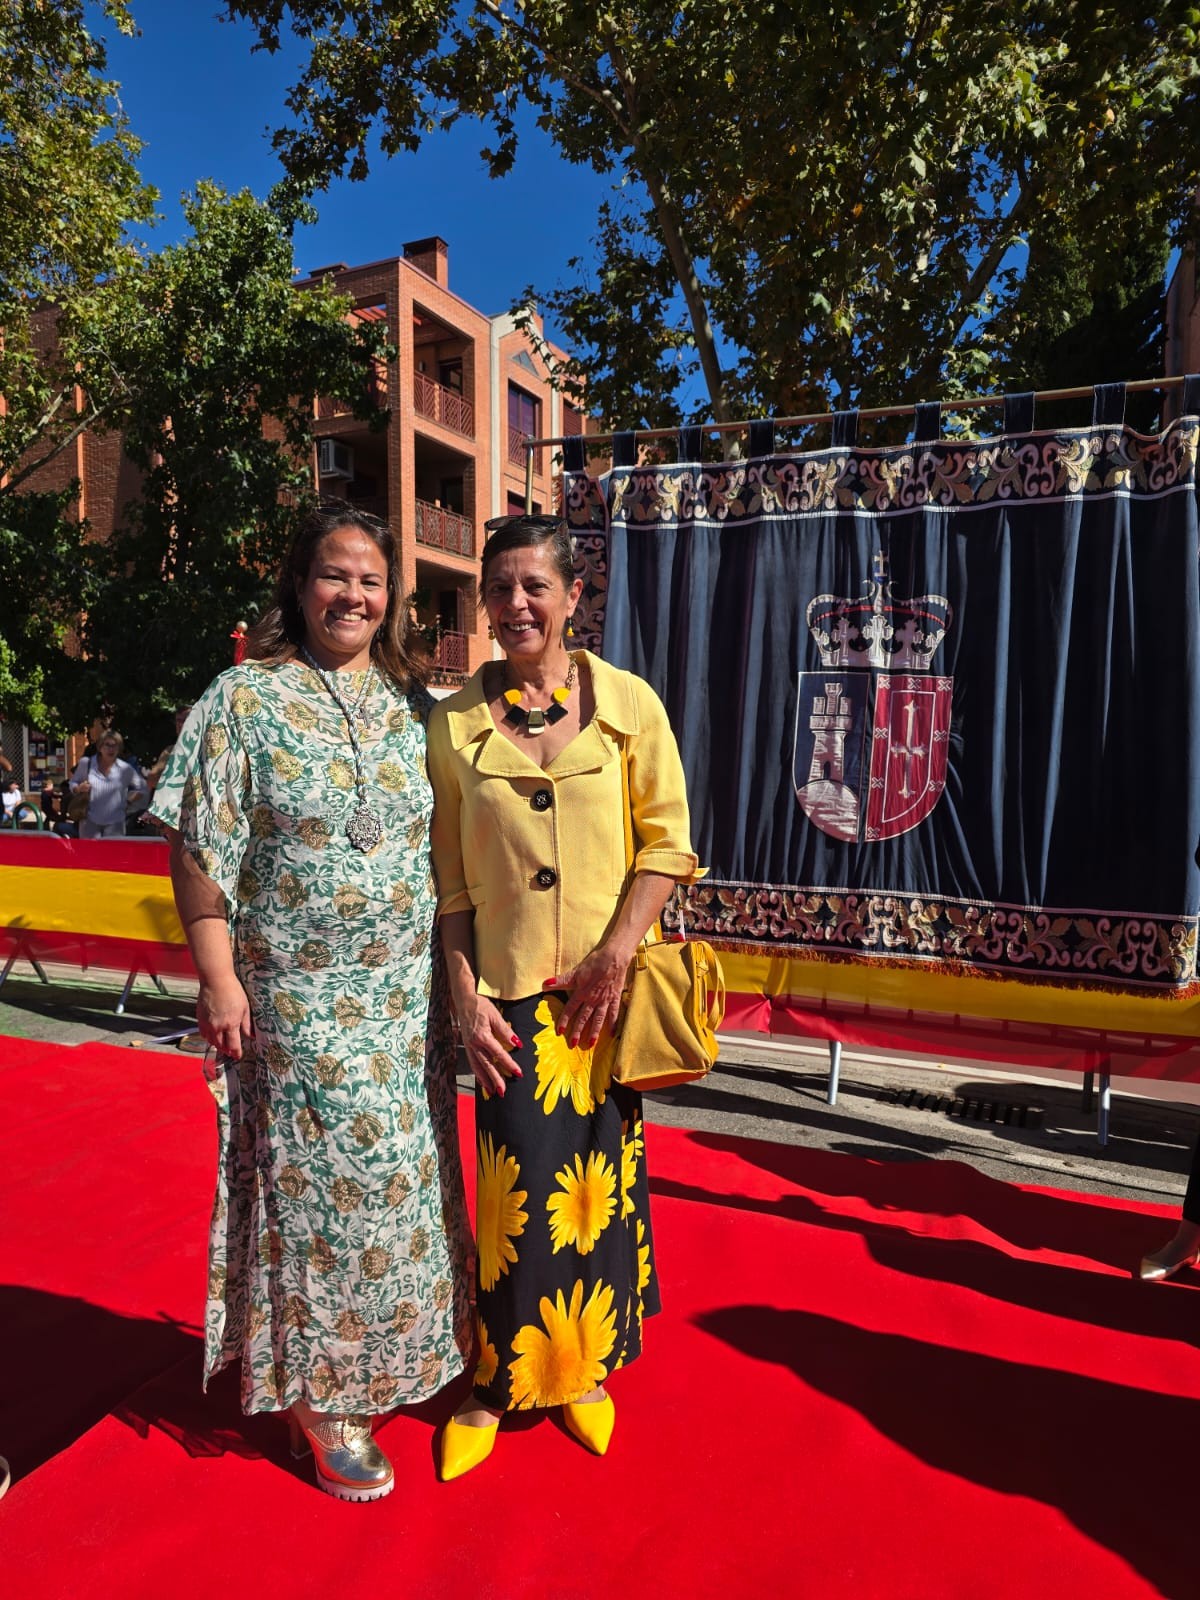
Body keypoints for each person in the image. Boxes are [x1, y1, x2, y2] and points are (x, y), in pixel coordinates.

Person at [150, 503, 473, 1502]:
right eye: (336, 576)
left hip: (402, 1004)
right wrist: (217, 975)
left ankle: (400, 1360)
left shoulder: (416, 704)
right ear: (300, 584)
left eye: (372, 581)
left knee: (404, 1193)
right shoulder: (243, 699)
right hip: (294, 1010)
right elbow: (200, 849)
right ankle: (319, 1393)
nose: (354, 595)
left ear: (392, 598)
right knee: (315, 1201)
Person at [426, 512, 704, 1480]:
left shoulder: (630, 705)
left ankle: (583, 1371)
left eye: (534, 587)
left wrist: (618, 953)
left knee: (598, 1189)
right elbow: (452, 884)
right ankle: (493, 1382)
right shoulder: (454, 722)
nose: (515, 606)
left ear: (574, 597)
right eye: (499, 589)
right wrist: (463, 999)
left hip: (605, 993)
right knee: (515, 1196)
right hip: (509, 1000)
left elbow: (668, 843)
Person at [68, 731, 147, 838]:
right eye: (108, 745)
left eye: (115, 746)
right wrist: (78, 788)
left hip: (115, 824)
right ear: (100, 747)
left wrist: (128, 801)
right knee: (90, 854)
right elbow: (73, 782)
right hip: (89, 823)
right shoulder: (86, 763)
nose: (111, 749)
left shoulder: (125, 769)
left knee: (113, 854)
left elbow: (142, 788)